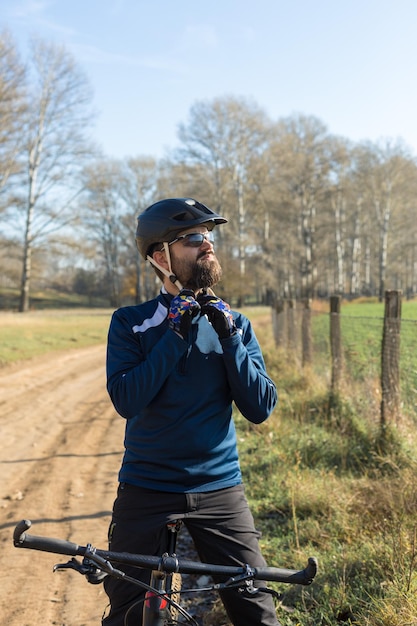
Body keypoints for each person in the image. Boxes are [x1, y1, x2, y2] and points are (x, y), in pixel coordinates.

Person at [103, 197, 280, 626]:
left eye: (210, 237)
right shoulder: (131, 323)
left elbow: (260, 407)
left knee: (258, 613)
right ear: (160, 256)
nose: (208, 246)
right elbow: (127, 399)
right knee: (131, 615)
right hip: (147, 488)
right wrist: (175, 334)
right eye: (194, 238)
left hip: (220, 489)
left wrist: (230, 339)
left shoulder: (235, 323)